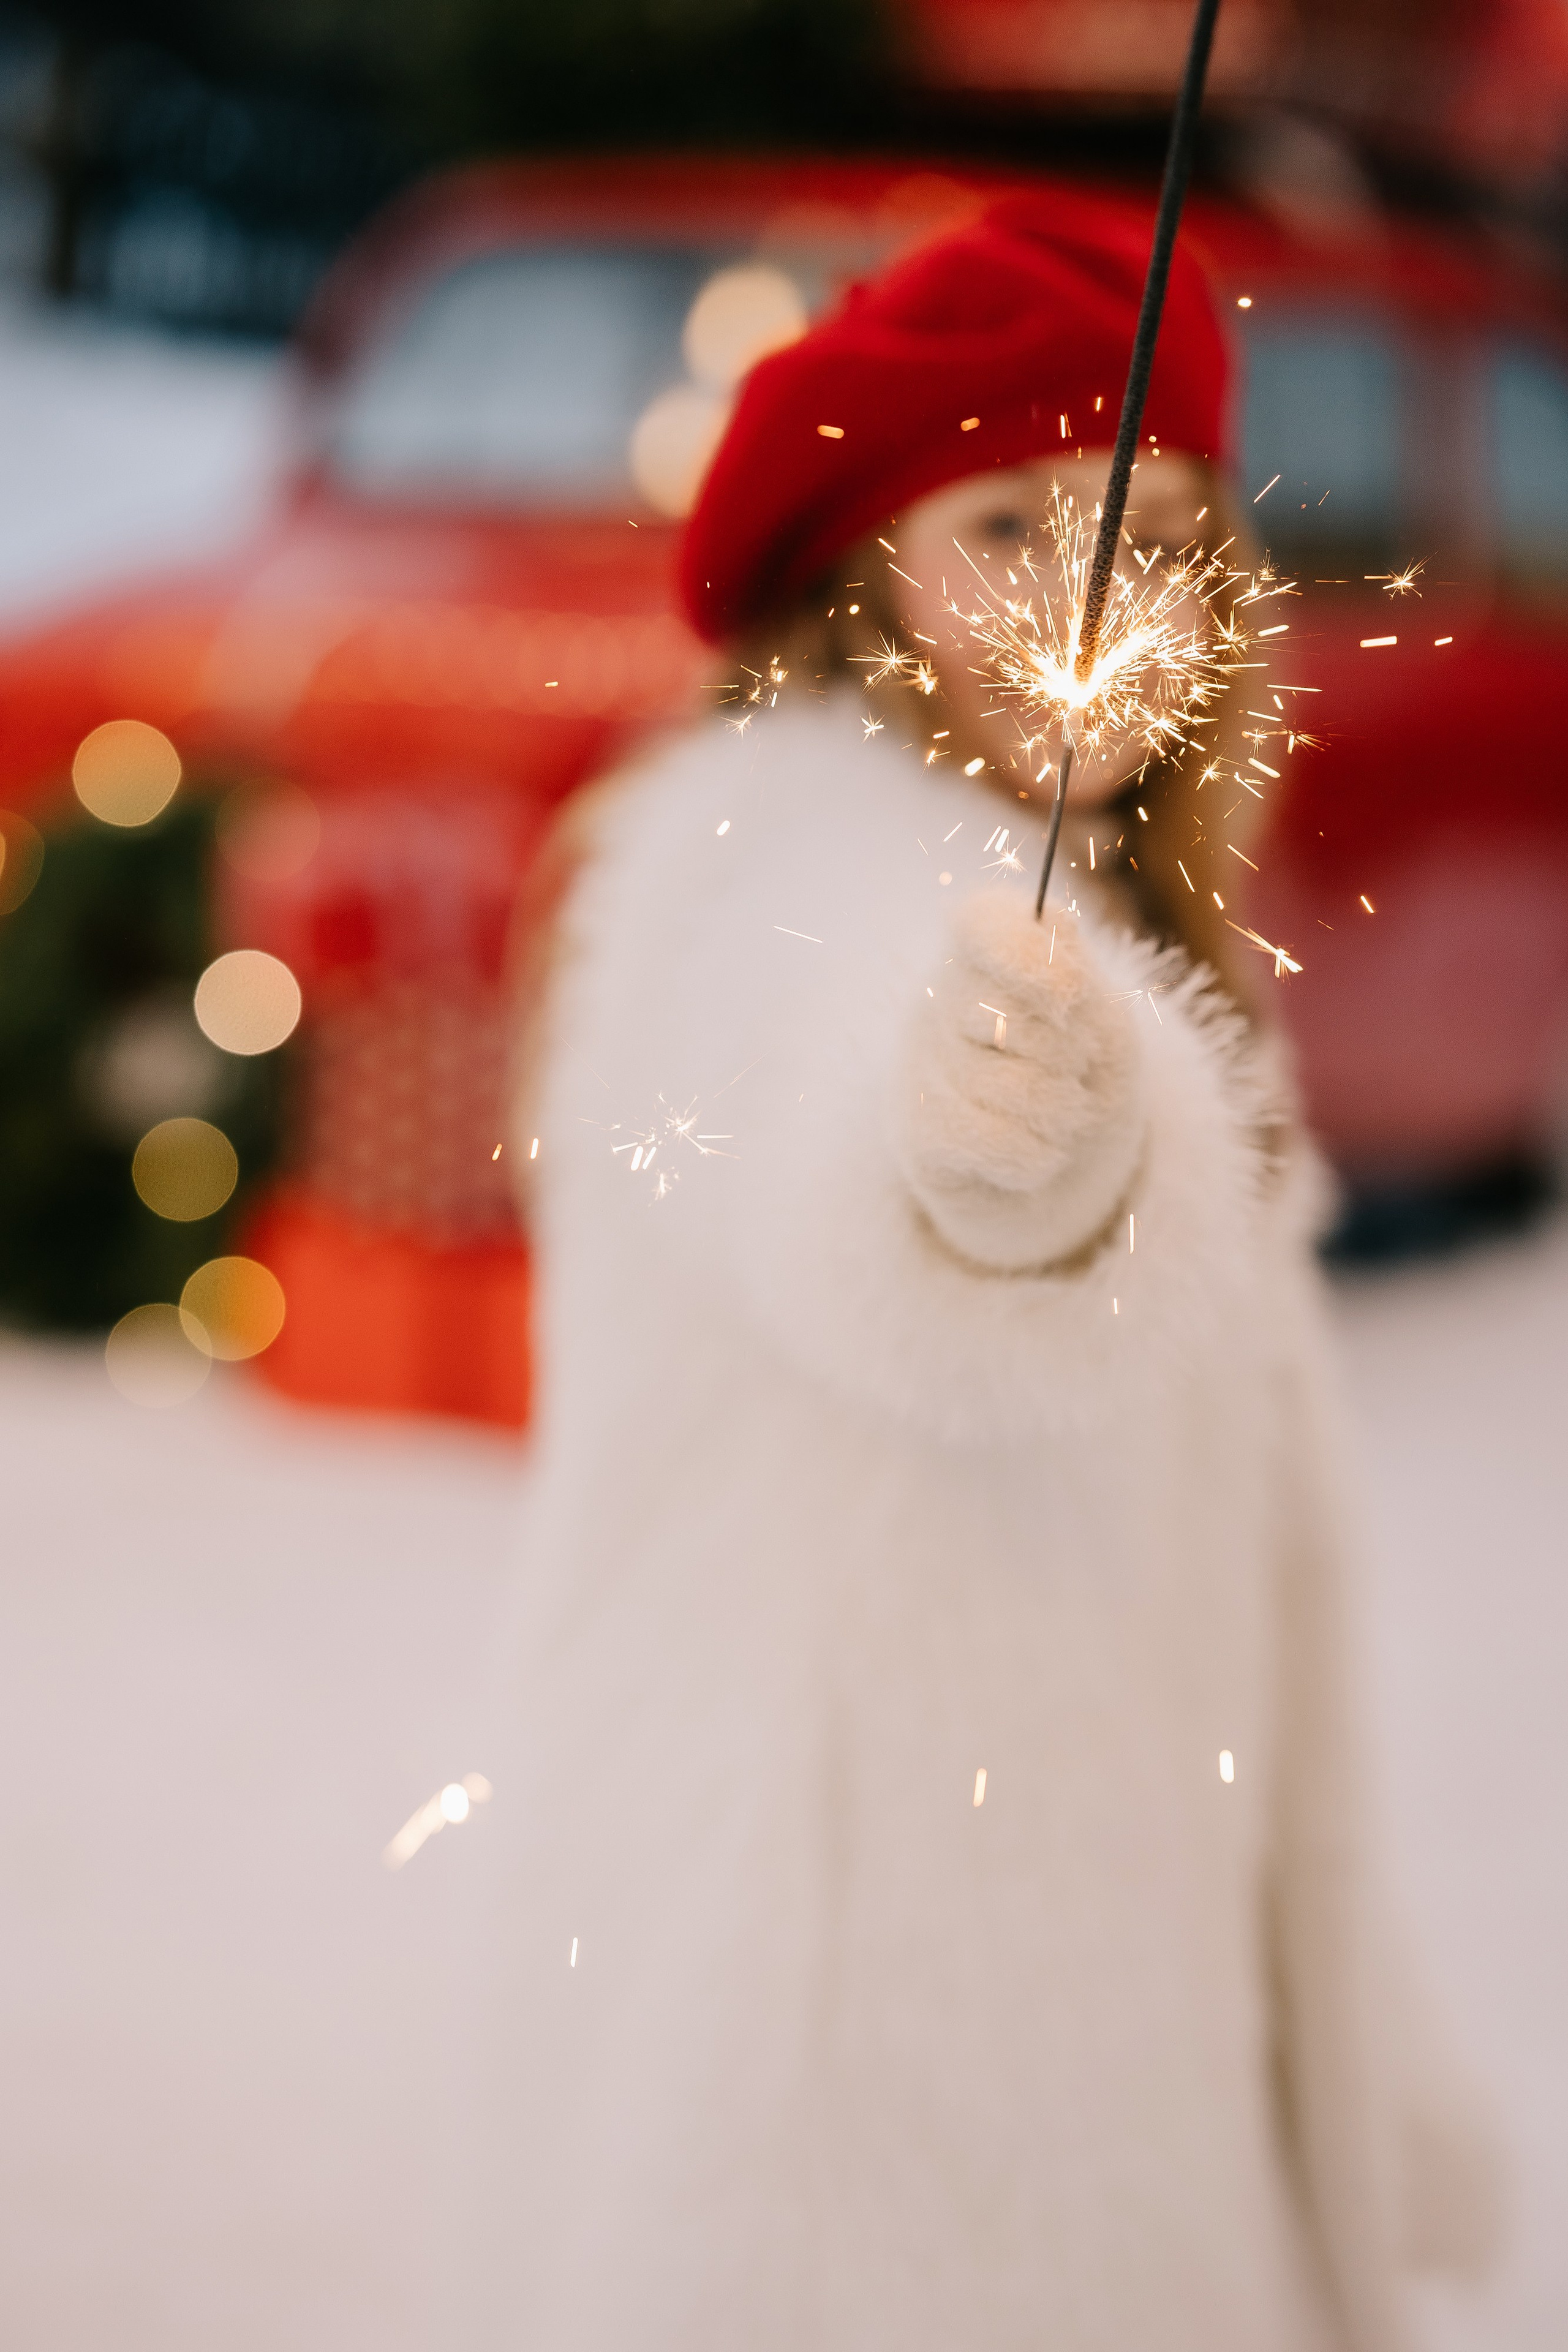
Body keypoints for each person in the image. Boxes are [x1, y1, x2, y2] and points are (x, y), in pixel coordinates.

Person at [455, 194, 1499, 2350]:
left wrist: (1351, 2055)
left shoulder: (1143, 924)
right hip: (866, 2118)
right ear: (861, 577)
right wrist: (1006, 1148)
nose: (1084, 598)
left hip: (1102, 2011)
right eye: (1008, 531)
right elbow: (893, 1184)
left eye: (1147, 530)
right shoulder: (774, 861)